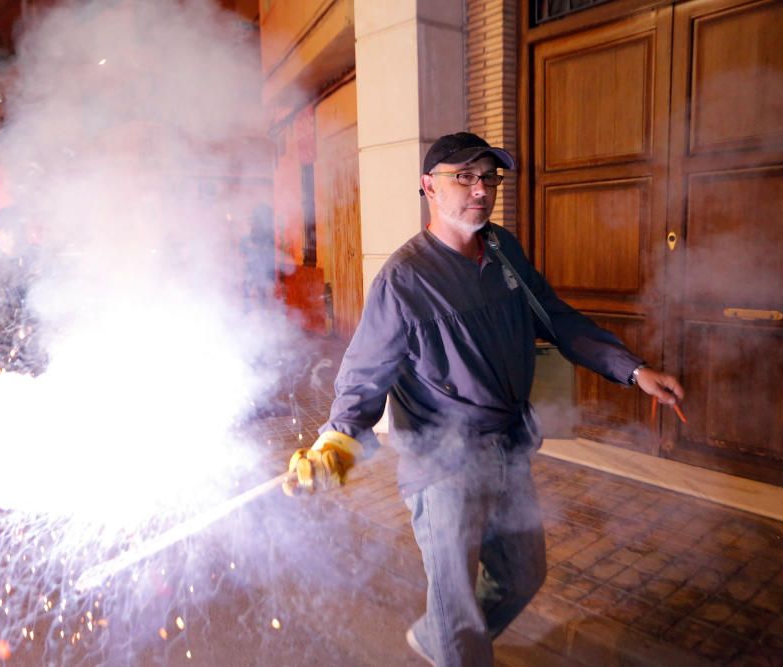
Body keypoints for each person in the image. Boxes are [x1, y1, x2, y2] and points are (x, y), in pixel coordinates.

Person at [283, 132, 684, 666]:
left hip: (508, 448)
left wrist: (632, 370)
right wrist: (335, 445)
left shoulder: (503, 251)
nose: (481, 189)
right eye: (464, 176)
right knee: (459, 612)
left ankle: (441, 640)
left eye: (489, 177)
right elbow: (363, 378)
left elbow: (556, 318)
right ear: (429, 186)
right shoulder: (403, 280)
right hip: (443, 465)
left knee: (523, 573)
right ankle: (456, 645)